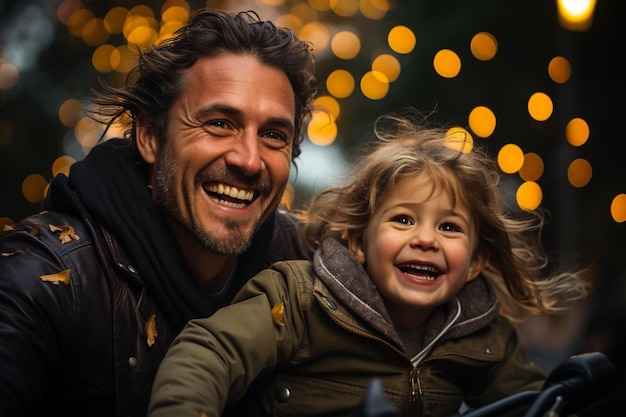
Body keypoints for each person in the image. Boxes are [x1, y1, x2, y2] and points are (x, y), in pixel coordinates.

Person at [147, 111, 589, 417]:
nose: (425, 239)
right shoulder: (299, 298)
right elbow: (210, 354)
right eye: (403, 219)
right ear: (359, 241)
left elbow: (533, 401)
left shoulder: (483, 337)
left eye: (450, 228)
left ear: (475, 262)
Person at [0, 9, 317, 417]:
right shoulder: (37, 279)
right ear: (150, 136)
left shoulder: (312, 268)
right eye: (220, 123)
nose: (250, 161)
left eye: (274, 135)